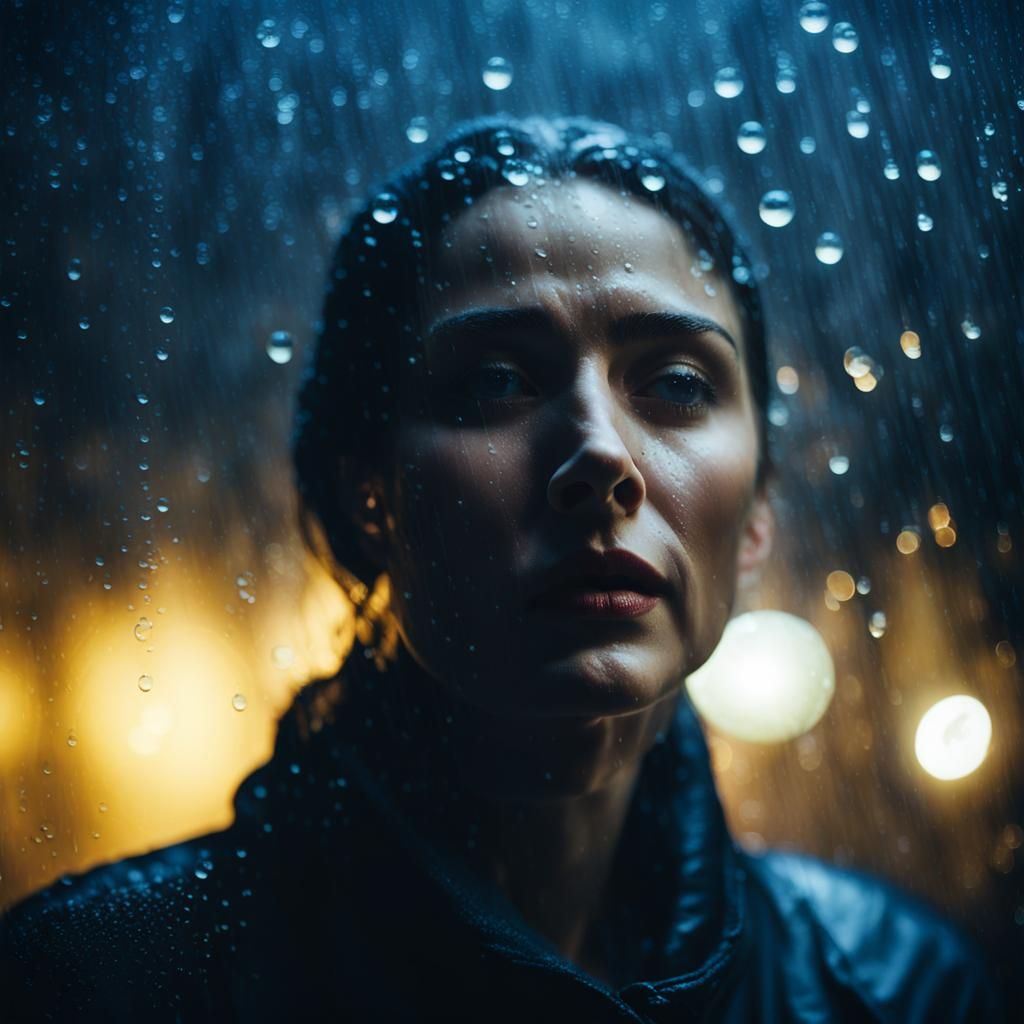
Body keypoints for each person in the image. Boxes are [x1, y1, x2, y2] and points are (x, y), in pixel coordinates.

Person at [0, 115, 1002, 1022]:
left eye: (677, 382)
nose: (602, 457)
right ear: (367, 501)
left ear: (754, 519)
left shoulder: (906, 990)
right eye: (494, 381)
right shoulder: (98, 986)